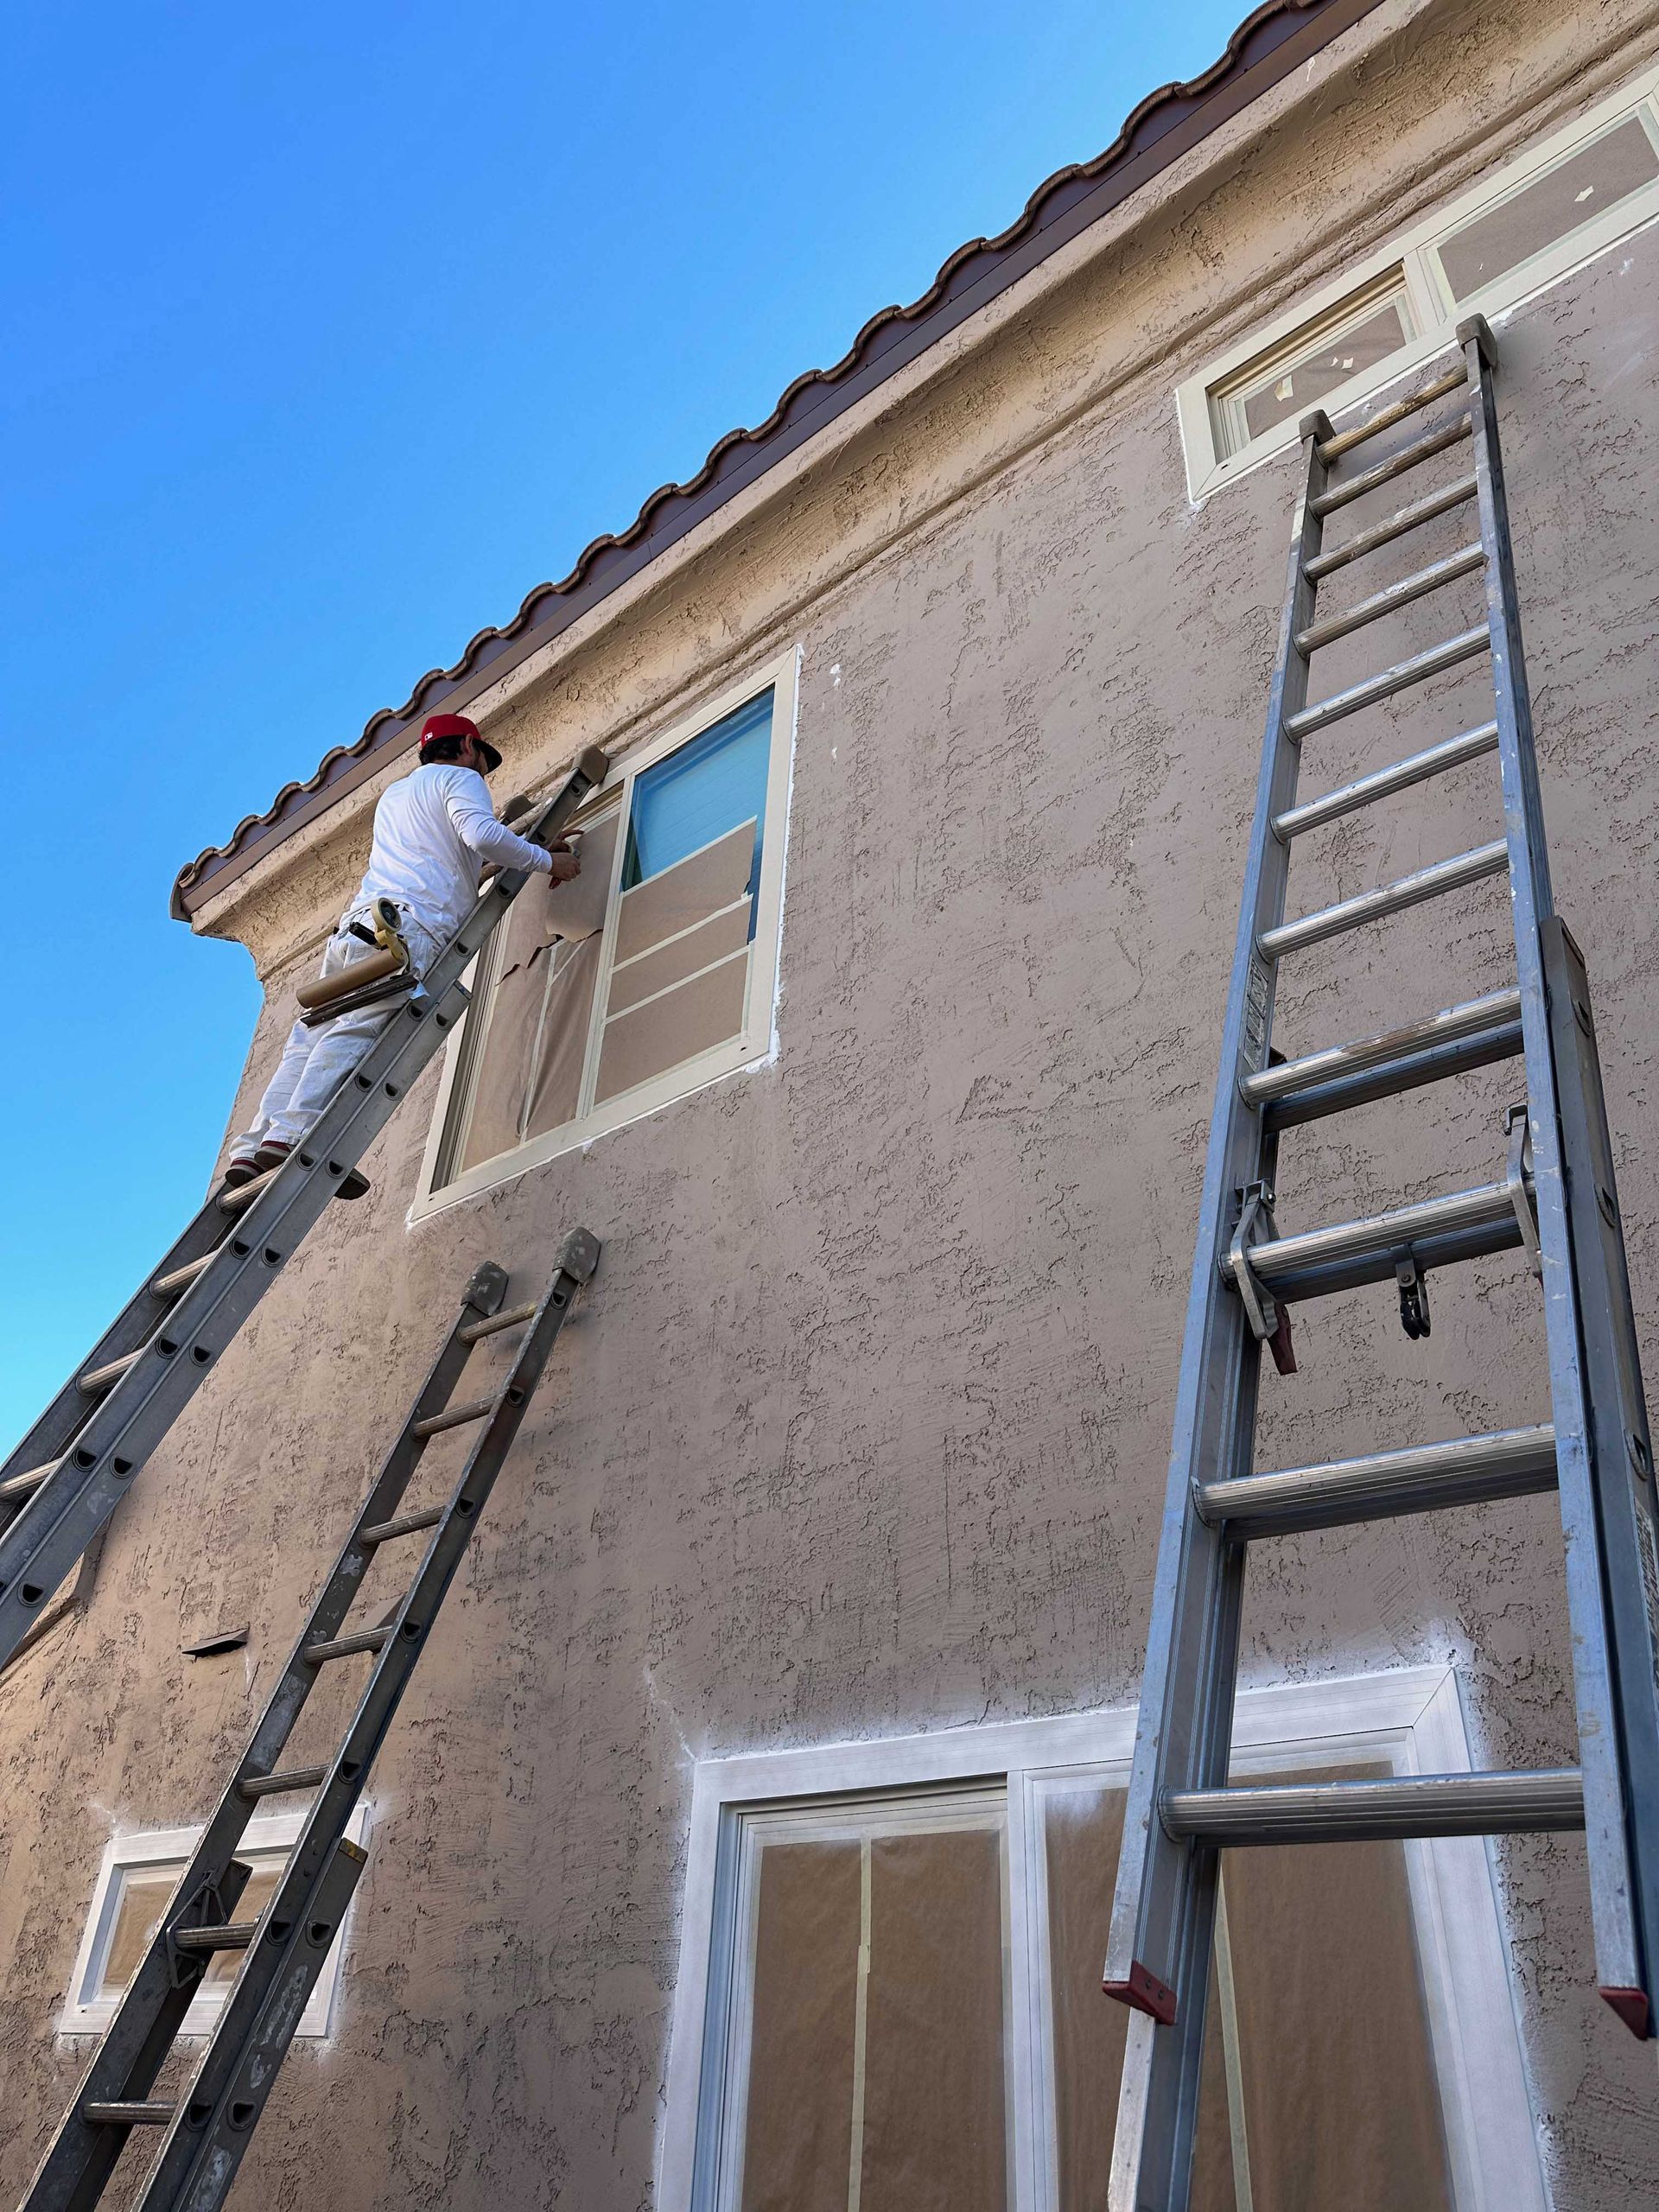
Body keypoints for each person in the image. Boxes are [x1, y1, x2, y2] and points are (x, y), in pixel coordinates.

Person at [223, 712, 579, 1185]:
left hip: (357, 927)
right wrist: (547, 860)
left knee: (308, 1039)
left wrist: (523, 849)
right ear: (467, 746)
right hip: (407, 928)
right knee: (358, 1028)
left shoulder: (396, 795)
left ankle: (251, 1150)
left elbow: (458, 864)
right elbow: (482, 835)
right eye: (482, 759)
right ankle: (292, 1136)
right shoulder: (461, 778)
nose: (483, 772)